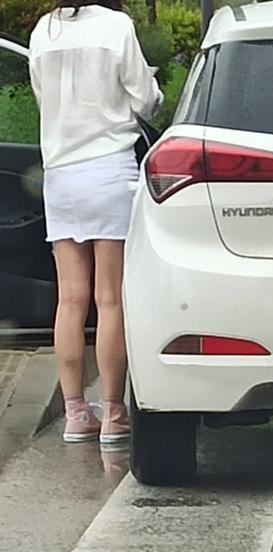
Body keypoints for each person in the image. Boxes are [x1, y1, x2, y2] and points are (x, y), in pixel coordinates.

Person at [29, 0, 162, 444]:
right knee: (110, 300)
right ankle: (114, 414)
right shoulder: (117, 26)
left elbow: (42, 98)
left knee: (70, 300)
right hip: (108, 169)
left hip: (60, 174)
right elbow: (146, 99)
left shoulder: (43, 31)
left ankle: (74, 413)